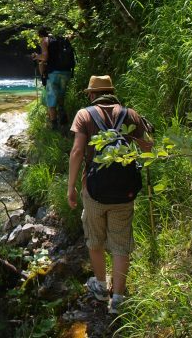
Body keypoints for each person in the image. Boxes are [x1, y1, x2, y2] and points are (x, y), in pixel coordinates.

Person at [67, 75, 153, 315]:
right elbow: (148, 147)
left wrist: (71, 187)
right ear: (112, 92)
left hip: (94, 190)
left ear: (92, 95)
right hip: (125, 191)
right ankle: (118, 299)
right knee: (120, 243)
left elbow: (76, 151)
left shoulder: (84, 115)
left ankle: (101, 286)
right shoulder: (131, 115)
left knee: (95, 240)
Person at [32, 26, 75, 130]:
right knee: (61, 97)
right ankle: (64, 124)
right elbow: (72, 35)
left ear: (41, 34)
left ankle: (54, 127)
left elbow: (45, 57)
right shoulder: (62, 38)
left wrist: (36, 56)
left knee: (51, 100)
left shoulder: (45, 40)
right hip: (66, 72)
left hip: (53, 73)